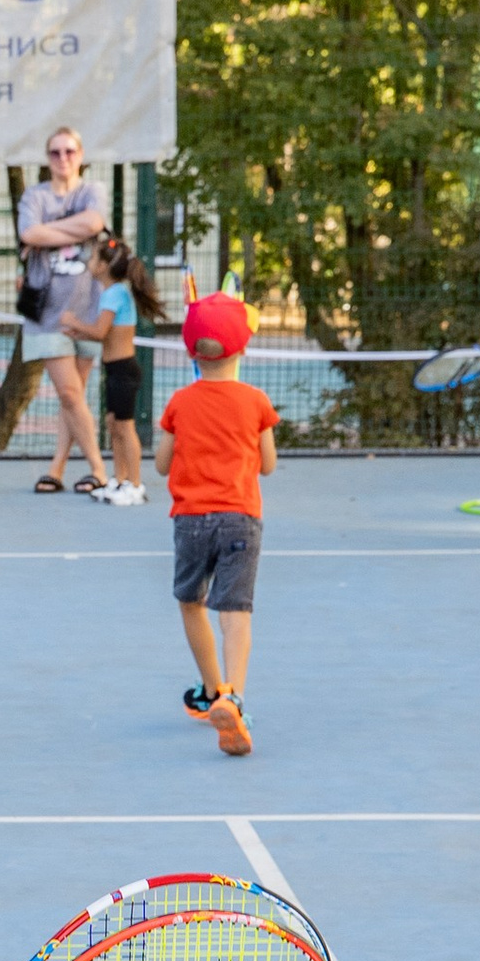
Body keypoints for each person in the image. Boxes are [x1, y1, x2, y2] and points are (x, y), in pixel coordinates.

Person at [159, 290, 280, 753]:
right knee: (236, 614)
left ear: (192, 350)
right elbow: (267, 465)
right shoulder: (256, 402)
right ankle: (235, 696)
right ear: (243, 348)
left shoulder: (180, 403)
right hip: (241, 519)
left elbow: (162, 465)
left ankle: (212, 691)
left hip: (191, 519)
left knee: (192, 603)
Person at [15, 128, 109, 494]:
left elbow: (94, 223)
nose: (62, 158)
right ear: (47, 158)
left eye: (69, 151)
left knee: (75, 397)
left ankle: (56, 468)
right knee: (69, 393)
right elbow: (29, 234)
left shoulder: (92, 191)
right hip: (47, 313)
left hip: (87, 307)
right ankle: (100, 470)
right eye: (55, 152)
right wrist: (71, 230)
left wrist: (47, 230)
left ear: (81, 154)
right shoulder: (34, 195)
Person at [70, 230, 169, 504]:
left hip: (124, 369)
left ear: (103, 266)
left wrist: (73, 322)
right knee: (113, 425)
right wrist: (79, 333)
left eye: (92, 259)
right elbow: (107, 333)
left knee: (125, 428)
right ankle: (120, 479)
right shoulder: (113, 293)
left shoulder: (114, 294)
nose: (89, 263)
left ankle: (135, 485)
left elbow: (101, 331)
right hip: (114, 369)